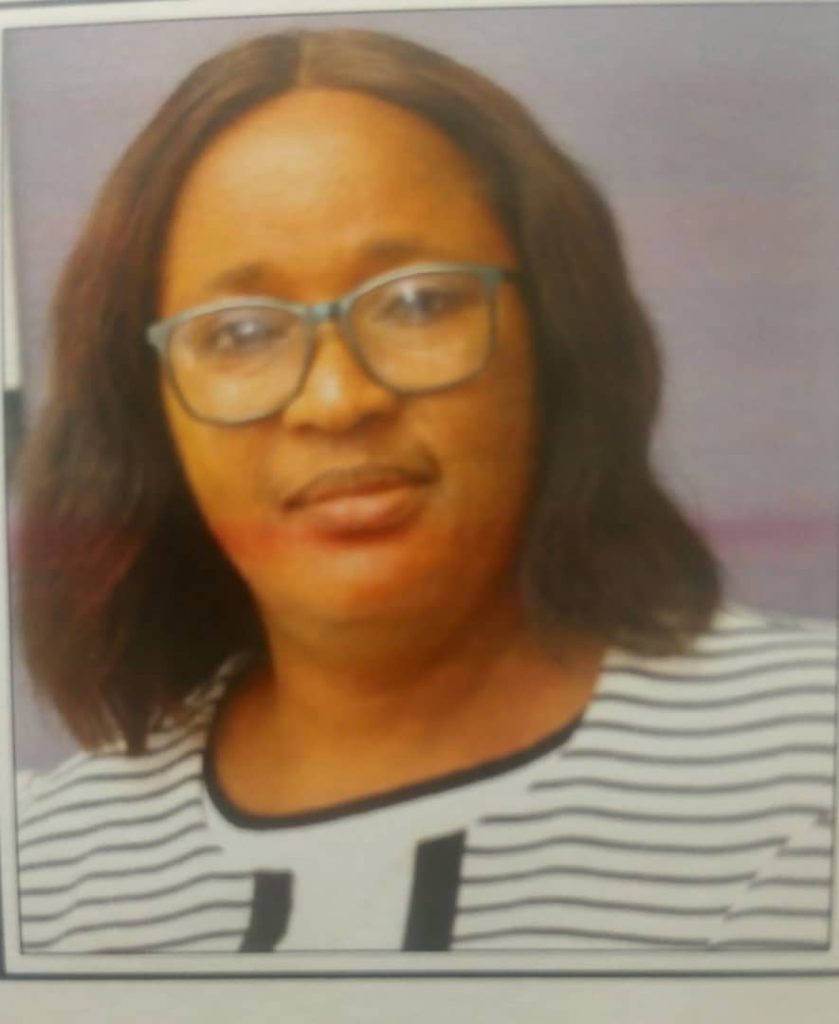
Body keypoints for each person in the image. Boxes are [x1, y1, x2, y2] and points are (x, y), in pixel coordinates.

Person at [14, 29, 835, 955]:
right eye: (240, 333)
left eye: (417, 303)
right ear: (148, 408)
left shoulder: (810, 769)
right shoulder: (50, 871)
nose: (336, 400)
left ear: (555, 339)